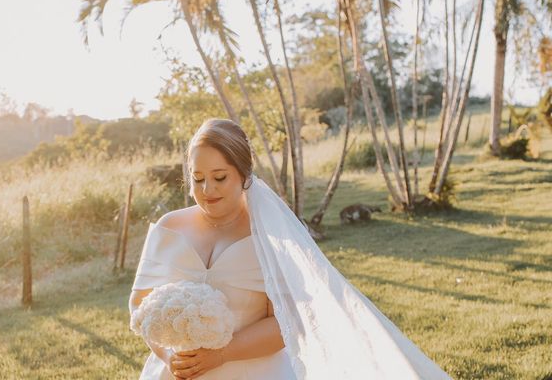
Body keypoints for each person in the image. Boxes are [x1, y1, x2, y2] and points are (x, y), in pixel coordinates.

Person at [129, 118, 452, 379]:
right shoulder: (170, 228)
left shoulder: (270, 235)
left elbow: (286, 321)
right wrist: (170, 355)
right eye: (197, 178)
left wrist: (221, 355)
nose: (207, 189)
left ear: (243, 174)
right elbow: (140, 303)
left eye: (219, 177)